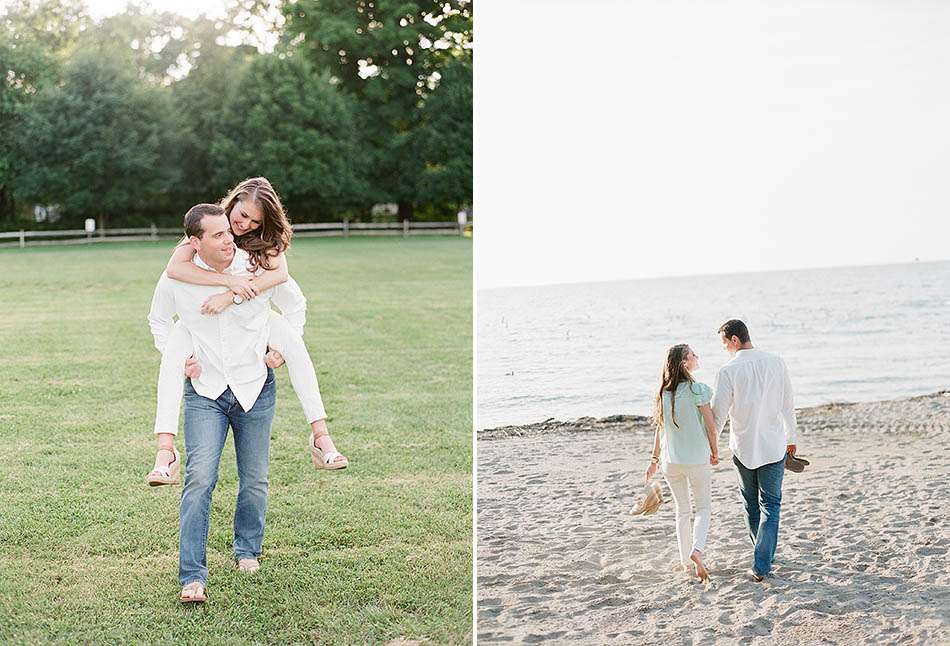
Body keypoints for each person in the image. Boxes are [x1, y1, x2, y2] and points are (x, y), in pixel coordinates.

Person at [148, 203, 307, 602]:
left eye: (229, 232)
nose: (230, 239)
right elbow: (158, 319)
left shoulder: (255, 267)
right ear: (194, 242)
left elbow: (294, 303)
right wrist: (175, 355)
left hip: (255, 387)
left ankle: (247, 550)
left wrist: (283, 348)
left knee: (255, 479)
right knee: (200, 478)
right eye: (218, 235)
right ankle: (192, 575)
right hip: (206, 393)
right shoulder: (177, 278)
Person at [145, 177, 346, 488]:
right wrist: (225, 283)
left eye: (254, 221)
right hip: (203, 349)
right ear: (232, 204)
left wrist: (232, 296)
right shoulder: (207, 230)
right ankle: (165, 451)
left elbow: (282, 278)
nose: (244, 226)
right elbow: (174, 270)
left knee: (293, 344)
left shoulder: (262, 250)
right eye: (241, 216)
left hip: (258, 331)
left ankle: (321, 436)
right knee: (173, 352)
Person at [711, 319, 797, 582]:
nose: (725, 348)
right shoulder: (776, 361)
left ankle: (761, 563)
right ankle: (764, 555)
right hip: (773, 445)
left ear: (734, 340)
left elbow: (718, 418)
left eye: (725, 343)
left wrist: (711, 446)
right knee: (771, 505)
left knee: (751, 505)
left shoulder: (728, 371)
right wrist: (792, 437)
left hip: (744, 448)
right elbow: (788, 404)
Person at [644, 344, 719, 582]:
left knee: (682, 511)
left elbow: (660, 430)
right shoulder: (698, 390)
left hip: (671, 461)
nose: (697, 357)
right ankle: (696, 551)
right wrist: (715, 452)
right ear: (685, 363)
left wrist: (653, 460)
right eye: (693, 355)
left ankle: (685, 563)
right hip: (697, 458)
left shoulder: (663, 392)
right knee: (703, 508)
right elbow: (711, 427)